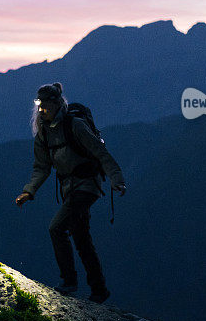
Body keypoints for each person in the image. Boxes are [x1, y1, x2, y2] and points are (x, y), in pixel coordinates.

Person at [15, 82, 126, 303]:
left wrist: (116, 179)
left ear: (56, 104)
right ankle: (99, 289)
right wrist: (29, 191)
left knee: (56, 228)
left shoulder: (75, 125)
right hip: (70, 189)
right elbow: (41, 167)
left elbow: (100, 152)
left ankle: (69, 281)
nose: (41, 110)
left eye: (45, 106)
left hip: (86, 186)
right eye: (39, 106)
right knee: (81, 237)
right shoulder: (44, 134)